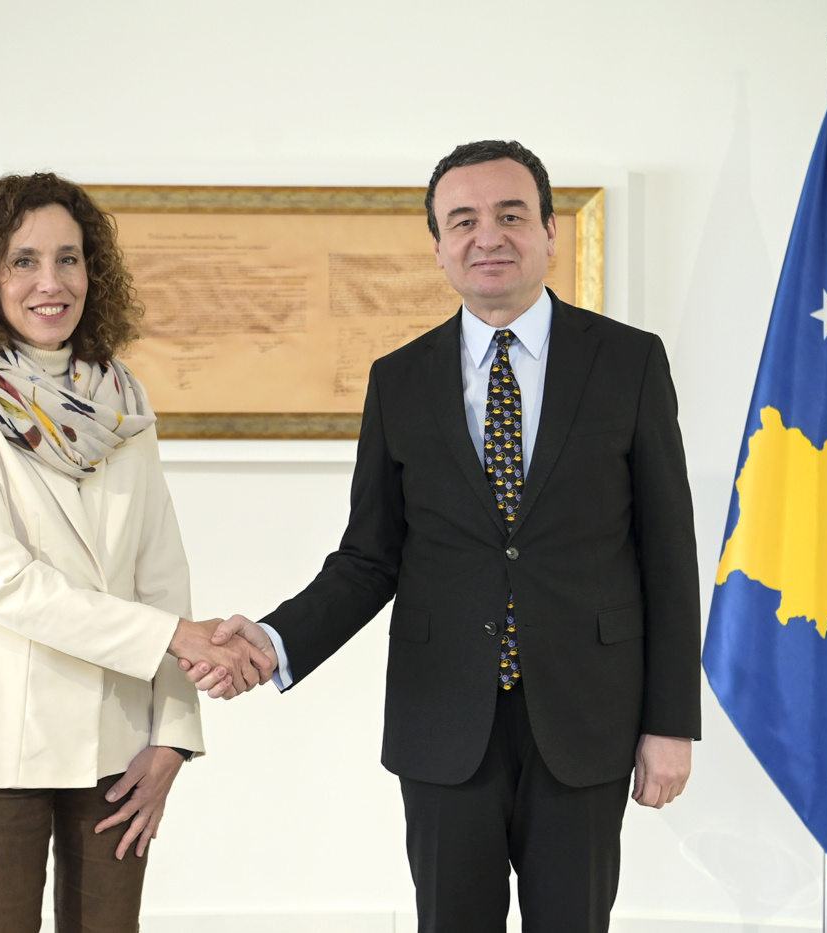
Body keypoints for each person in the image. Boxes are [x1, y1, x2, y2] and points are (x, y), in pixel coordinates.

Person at [183, 141, 702, 932]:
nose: (487, 236)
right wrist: (272, 638)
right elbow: (369, 558)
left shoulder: (628, 362)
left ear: (550, 231)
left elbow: (668, 556)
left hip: (587, 719)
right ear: (438, 245)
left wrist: (670, 722)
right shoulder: (399, 379)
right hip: (444, 724)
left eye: (510, 215)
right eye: (463, 220)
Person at [0, 172, 271, 933]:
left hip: (118, 748)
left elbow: (160, 573)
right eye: (24, 261)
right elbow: (4, 584)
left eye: (68, 259)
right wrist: (180, 638)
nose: (51, 282)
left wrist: (173, 738)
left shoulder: (121, 397)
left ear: (92, 271)